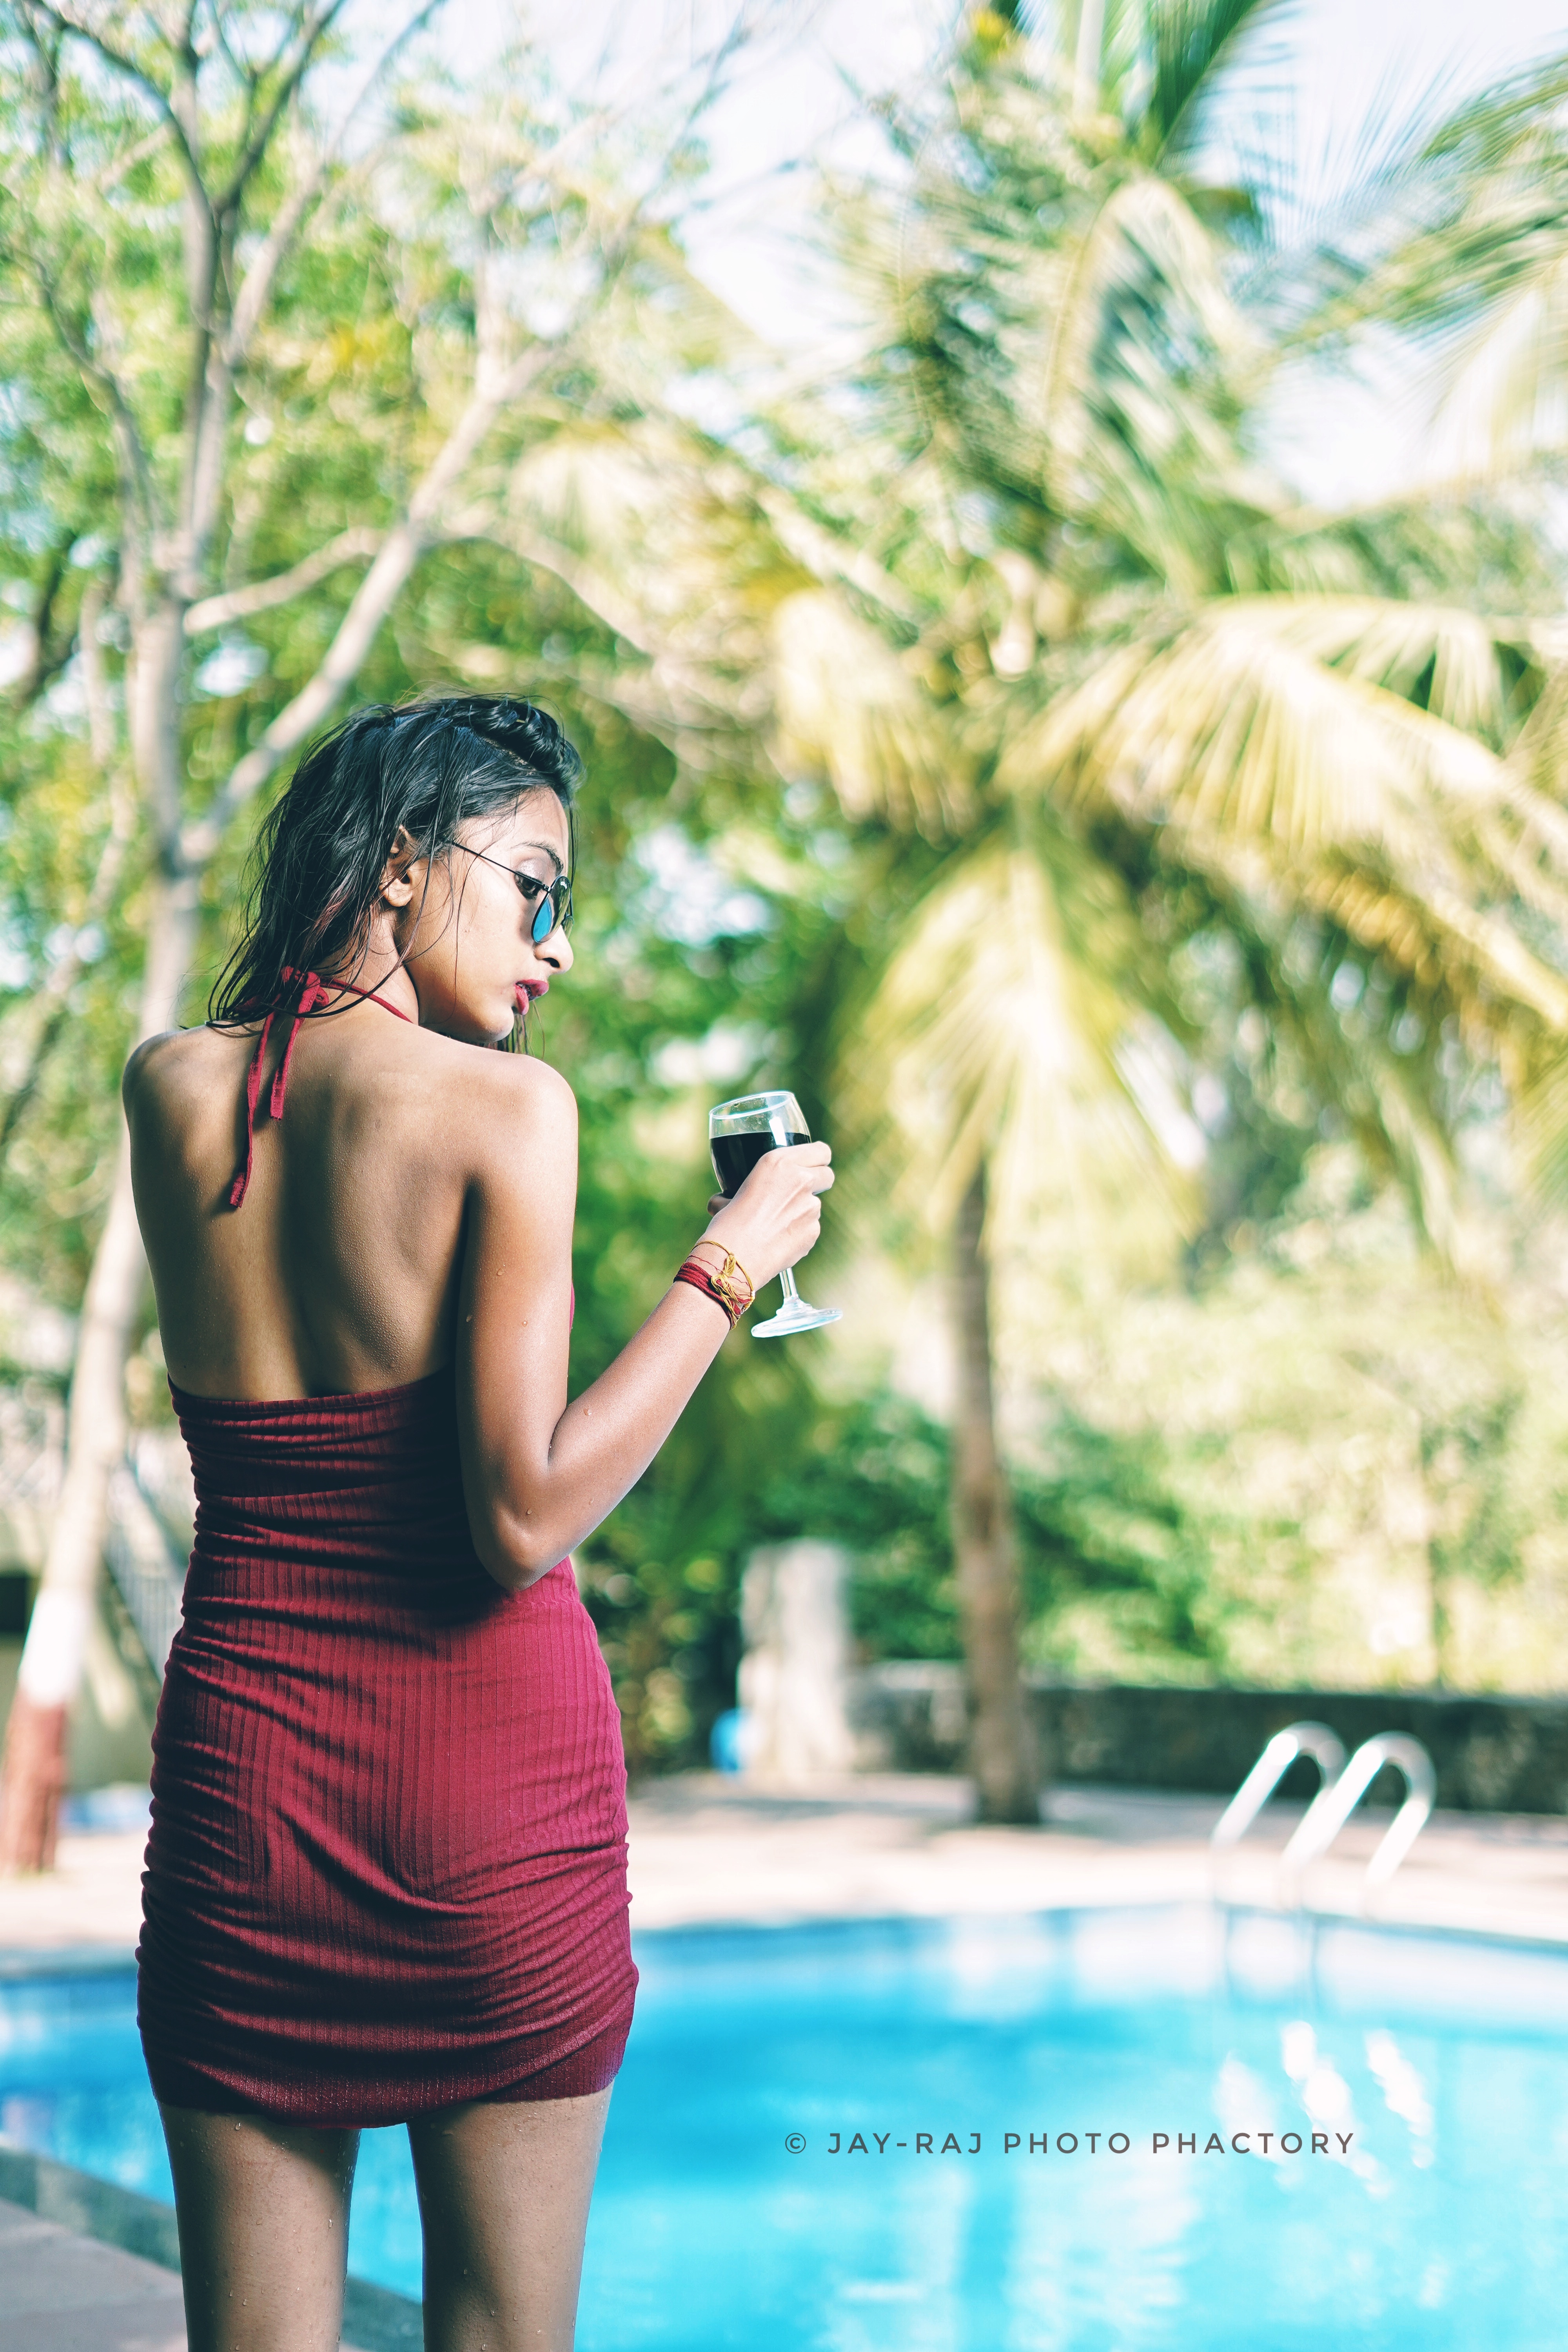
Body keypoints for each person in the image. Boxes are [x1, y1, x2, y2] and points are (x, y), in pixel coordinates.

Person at [122, 696, 833, 2352]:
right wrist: (730, 1265)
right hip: (486, 1818)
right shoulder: (509, 1111)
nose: (556, 947)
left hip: (246, 1803)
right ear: (398, 865)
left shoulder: (167, 1088)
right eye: (535, 888)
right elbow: (520, 1515)